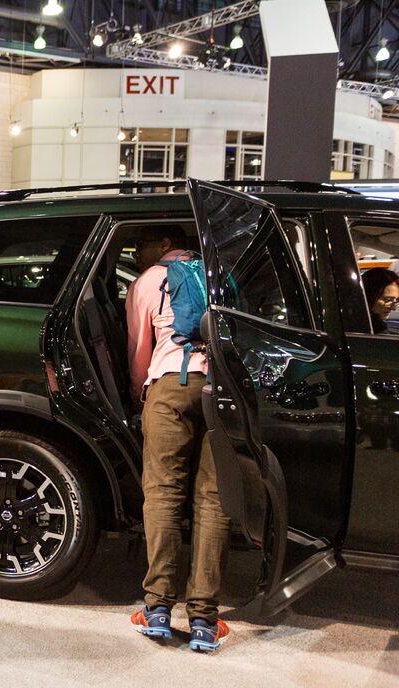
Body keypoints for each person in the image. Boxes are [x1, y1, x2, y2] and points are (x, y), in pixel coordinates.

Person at [125, 224, 231, 653]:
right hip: (223, 391)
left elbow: (138, 349)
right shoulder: (219, 275)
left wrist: (139, 395)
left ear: (165, 245)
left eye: (144, 244)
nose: (138, 253)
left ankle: (158, 609)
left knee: (164, 494)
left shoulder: (150, 280)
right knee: (214, 498)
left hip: (170, 384)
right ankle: (205, 619)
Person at [361, 267, 399, 334]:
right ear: (369, 296)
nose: (393, 308)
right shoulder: (377, 331)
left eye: (397, 300)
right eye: (388, 300)